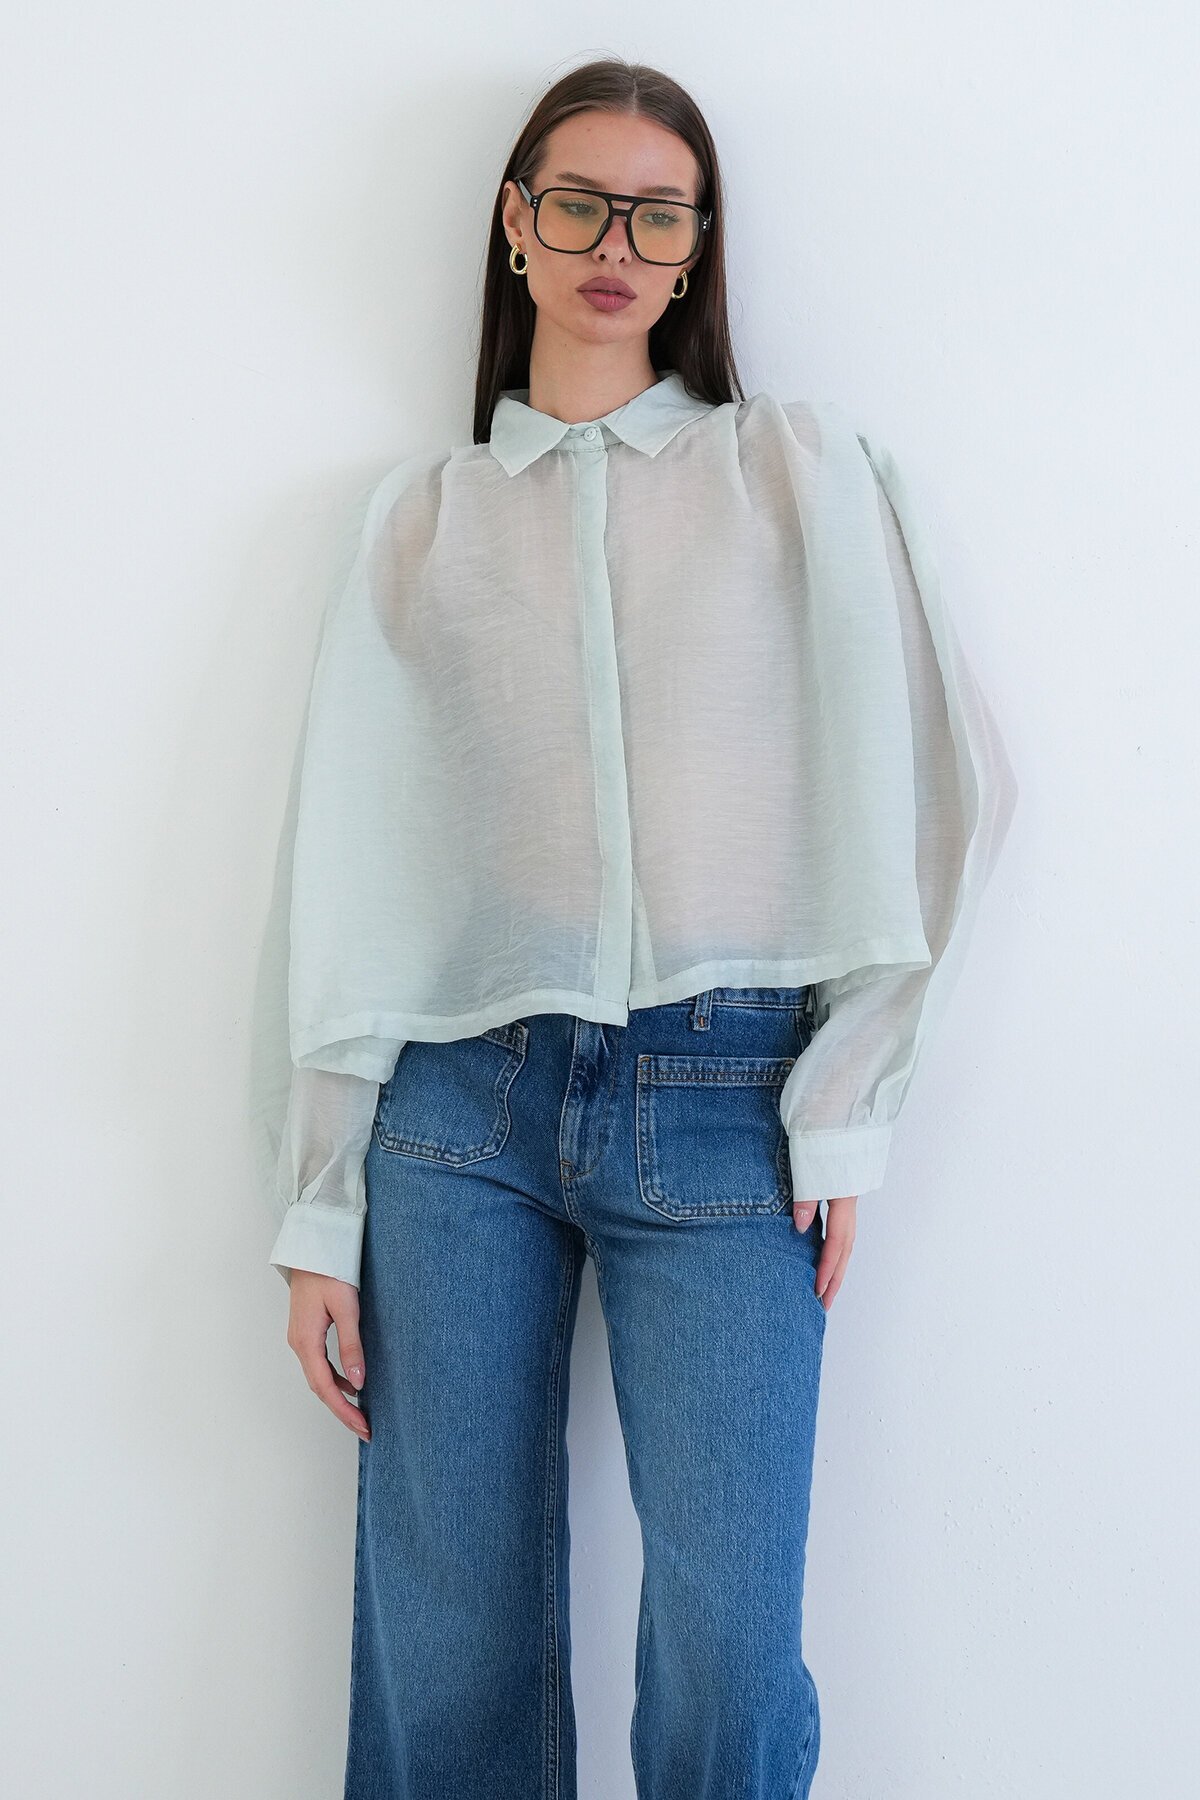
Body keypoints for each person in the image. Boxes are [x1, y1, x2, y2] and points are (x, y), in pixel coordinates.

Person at [248, 56, 1018, 1800]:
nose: (617, 245)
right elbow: (347, 875)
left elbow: (949, 782)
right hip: (457, 1119)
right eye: (582, 204)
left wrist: (848, 1098)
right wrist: (317, 1198)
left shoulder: (794, 473)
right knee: (448, 1653)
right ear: (516, 226)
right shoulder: (423, 522)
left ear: (696, 251)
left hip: (729, 1103)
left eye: (660, 216)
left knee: (729, 1660)